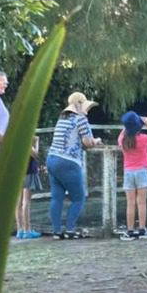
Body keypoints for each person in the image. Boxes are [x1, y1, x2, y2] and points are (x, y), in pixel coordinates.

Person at [46, 92, 101, 240]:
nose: (87, 110)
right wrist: (96, 141)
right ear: (80, 104)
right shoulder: (80, 119)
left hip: (52, 159)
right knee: (78, 198)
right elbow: (88, 142)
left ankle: (57, 231)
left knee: (56, 198)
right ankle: (70, 229)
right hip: (68, 162)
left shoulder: (62, 118)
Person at [118, 111, 147, 241]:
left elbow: (122, 133)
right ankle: (142, 229)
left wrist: (127, 126)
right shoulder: (143, 138)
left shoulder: (122, 140)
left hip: (128, 172)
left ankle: (130, 230)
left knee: (130, 203)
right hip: (142, 171)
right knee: (141, 202)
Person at [15, 136, 42, 239]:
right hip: (28, 172)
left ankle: (20, 230)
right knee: (26, 202)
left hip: (19, 172)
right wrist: (36, 142)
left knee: (18, 202)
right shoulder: (24, 139)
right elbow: (35, 154)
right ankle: (27, 230)